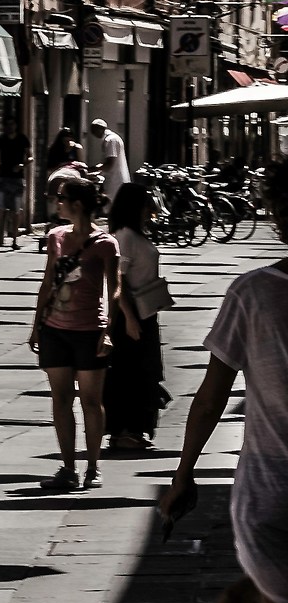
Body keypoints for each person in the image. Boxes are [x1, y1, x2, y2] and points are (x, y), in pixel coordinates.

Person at [160, 159, 288, 603]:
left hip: (270, 495)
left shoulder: (254, 294)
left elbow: (212, 397)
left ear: (278, 215)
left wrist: (183, 474)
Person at [28, 173, 119, 491]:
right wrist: (37, 324)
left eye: (62, 198)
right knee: (61, 399)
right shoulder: (55, 236)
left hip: (89, 330)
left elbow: (114, 290)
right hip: (55, 328)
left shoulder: (106, 244)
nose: (57, 203)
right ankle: (68, 468)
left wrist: (108, 329)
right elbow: (47, 282)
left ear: (77, 205)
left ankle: (93, 467)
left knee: (91, 401)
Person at [105, 180, 171, 454]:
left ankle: (136, 429)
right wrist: (129, 318)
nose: (150, 208)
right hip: (129, 317)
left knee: (144, 372)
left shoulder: (137, 234)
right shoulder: (125, 237)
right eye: (146, 204)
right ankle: (123, 432)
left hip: (146, 313)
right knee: (128, 373)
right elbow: (118, 280)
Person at [0, 119, 32, 249]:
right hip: (3, 178)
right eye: (8, 124)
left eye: (12, 124)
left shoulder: (22, 139)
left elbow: (30, 157)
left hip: (17, 179)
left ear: (16, 125)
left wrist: (22, 165)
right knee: (0, 209)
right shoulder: (0, 139)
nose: (10, 127)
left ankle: (14, 240)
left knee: (16, 211)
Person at [89, 116, 131, 201]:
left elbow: (109, 164)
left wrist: (94, 168)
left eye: (93, 130)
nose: (93, 134)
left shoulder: (110, 140)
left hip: (115, 182)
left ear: (100, 129)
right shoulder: (112, 138)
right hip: (115, 181)